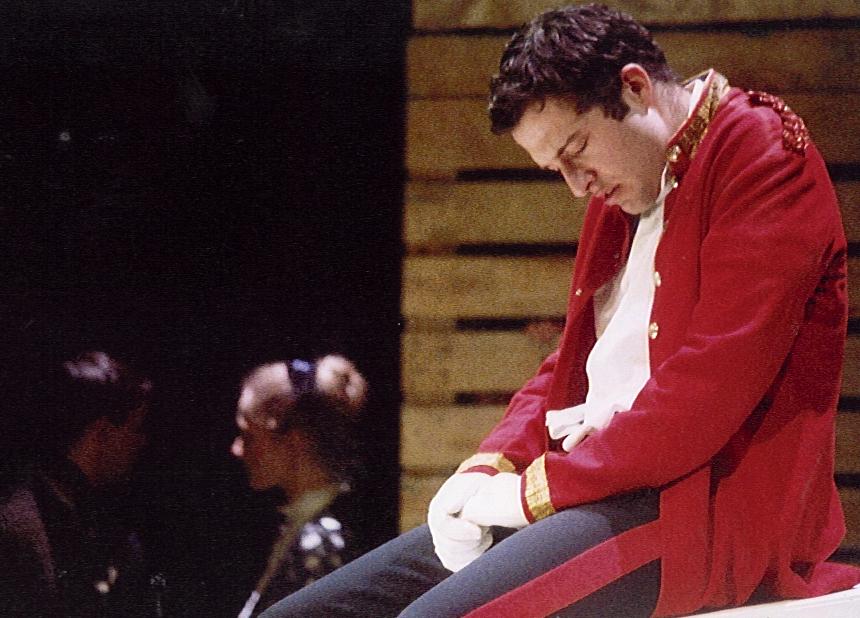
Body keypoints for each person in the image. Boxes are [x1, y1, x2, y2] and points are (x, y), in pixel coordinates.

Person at [260, 4, 860, 617]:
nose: (576, 185)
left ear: (634, 87)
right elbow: (574, 364)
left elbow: (708, 389)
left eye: (576, 149)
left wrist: (531, 494)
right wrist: (488, 465)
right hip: (603, 490)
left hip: (700, 511)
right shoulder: (625, 181)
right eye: (556, 168)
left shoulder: (763, 153)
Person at [0, 350, 156, 617]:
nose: (141, 442)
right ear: (101, 432)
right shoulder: (14, 531)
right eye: (136, 428)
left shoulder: (76, 512)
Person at [230, 354, 368, 617]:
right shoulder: (303, 526)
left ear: (295, 441)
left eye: (249, 436)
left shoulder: (321, 542)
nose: (237, 448)